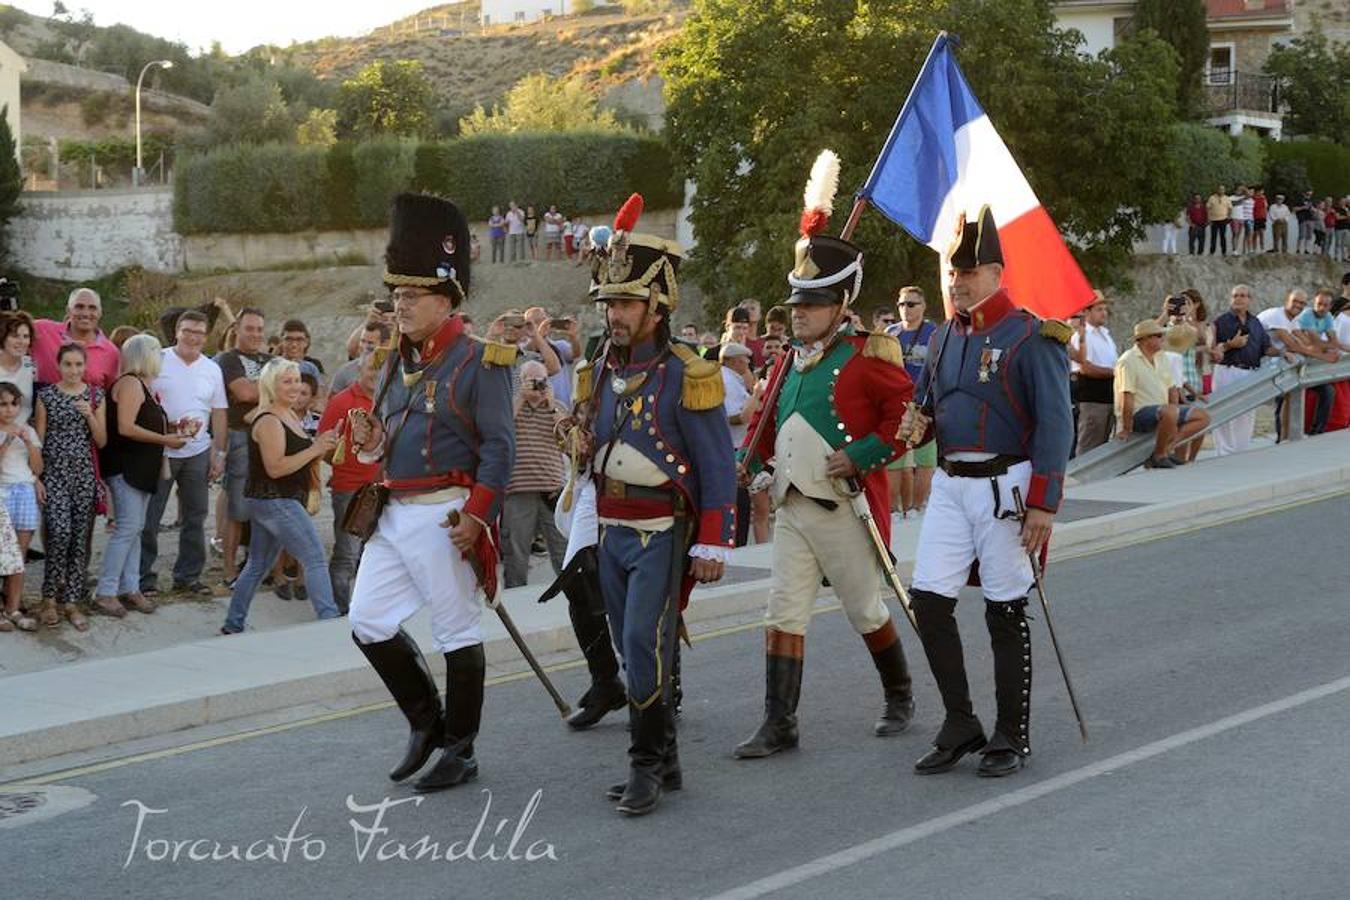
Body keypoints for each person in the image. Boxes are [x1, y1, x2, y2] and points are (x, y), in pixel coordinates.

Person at [735, 154, 915, 766]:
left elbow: (910, 420)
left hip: (842, 508)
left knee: (865, 609)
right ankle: (778, 722)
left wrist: (861, 453)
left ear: (842, 304)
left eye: (812, 303)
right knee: (781, 611)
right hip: (790, 509)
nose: (799, 312)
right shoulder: (789, 361)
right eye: (796, 304)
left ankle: (899, 693)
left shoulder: (870, 355)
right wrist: (756, 461)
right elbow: (771, 425)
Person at [345, 193, 515, 794]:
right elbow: (387, 438)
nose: (401, 307)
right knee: (366, 620)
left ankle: (460, 750)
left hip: (448, 512)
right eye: (397, 297)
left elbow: (500, 448)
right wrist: (369, 441)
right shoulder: (395, 359)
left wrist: (477, 516)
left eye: (412, 297)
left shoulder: (482, 362)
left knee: (456, 631)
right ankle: (427, 722)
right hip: (394, 509)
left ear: (447, 299)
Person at [899, 205, 1073, 778]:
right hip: (950, 483)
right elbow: (929, 399)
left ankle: (1010, 734)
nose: (958, 282)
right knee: (927, 600)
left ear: (997, 273)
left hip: (1010, 486)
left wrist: (1045, 502)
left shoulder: (1031, 334)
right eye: (953, 273)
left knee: (1004, 611)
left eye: (969, 273)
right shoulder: (947, 334)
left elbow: (1055, 423)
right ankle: (959, 721)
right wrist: (917, 422)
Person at [574, 191, 734, 816]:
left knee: (644, 642)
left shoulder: (688, 373)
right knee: (632, 645)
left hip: (663, 532)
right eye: (609, 301)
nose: (613, 313)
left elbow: (718, 465)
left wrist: (714, 539)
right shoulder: (599, 367)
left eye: (626, 302)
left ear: (656, 307)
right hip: (611, 528)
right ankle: (666, 761)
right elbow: (592, 444)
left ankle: (643, 765)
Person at [220, 359, 341, 635]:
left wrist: (323, 446)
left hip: (275, 500)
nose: (295, 386)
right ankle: (330, 621)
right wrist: (315, 449)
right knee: (315, 557)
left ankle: (233, 623)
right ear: (270, 385)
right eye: (287, 381)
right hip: (275, 499)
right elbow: (275, 468)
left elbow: (298, 458)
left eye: (297, 380)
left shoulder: (288, 414)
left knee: (257, 565)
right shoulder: (270, 419)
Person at [140, 310, 228, 597]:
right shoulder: (159, 359)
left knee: (196, 516)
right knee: (150, 516)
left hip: (198, 451)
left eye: (199, 333)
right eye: (187, 331)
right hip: (160, 451)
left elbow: (219, 413)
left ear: (206, 336)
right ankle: (144, 578)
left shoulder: (212, 368)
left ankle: (188, 576)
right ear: (177, 331)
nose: (193, 337)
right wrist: (166, 428)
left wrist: (219, 453)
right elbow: (140, 401)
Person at [97, 335, 185, 618]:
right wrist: (165, 438)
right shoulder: (131, 383)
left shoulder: (143, 386)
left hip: (140, 468)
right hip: (127, 467)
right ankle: (106, 591)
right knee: (127, 529)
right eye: (157, 352)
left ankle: (130, 587)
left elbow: (141, 422)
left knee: (134, 529)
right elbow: (125, 427)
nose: (161, 357)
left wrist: (173, 427)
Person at [35, 344, 108, 631]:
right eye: (68, 364)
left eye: (79, 365)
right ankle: (49, 598)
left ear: (85, 365)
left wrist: (89, 414)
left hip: (84, 476)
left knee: (80, 539)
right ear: (59, 365)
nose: (74, 370)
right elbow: (38, 440)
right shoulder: (47, 396)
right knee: (59, 534)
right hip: (55, 474)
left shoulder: (95, 395)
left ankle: (72, 602)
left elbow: (102, 441)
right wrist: (37, 478)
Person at [316, 349, 381, 613]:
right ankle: (338, 611)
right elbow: (324, 444)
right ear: (359, 371)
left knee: (376, 553)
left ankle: (369, 608)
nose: (375, 375)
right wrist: (346, 467)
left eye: (380, 369)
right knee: (347, 554)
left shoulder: (390, 399)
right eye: (371, 369)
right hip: (351, 490)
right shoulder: (342, 402)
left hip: (383, 489)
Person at [214, 308, 273, 586]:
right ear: (237, 328)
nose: (256, 334)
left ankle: (254, 564)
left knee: (263, 506)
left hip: (270, 437)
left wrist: (267, 387)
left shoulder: (271, 359)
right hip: (240, 438)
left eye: (260, 329)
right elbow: (244, 392)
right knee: (236, 508)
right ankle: (228, 569)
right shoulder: (227, 359)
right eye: (250, 328)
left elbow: (289, 389)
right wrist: (273, 386)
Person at [502, 360, 568, 588]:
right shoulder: (511, 407)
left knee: (562, 549)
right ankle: (516, 601)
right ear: (521, 382)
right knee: (516, 553)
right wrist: (521, 397)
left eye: (544, 381)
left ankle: (575, 600)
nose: (540, 386)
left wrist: (551, 407)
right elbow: (501, 432)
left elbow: (568, 442)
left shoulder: (557, 407)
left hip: (552, 489)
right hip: (519, 490)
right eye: (534, 381)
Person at [1114, 320, 1210, 468]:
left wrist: (1175, 416)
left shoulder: (1161, 357)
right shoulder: (1128, 360)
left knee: (1203, 416)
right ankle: (1158, 456)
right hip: (1138, 413)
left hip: (1162, 411)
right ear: (1145, 339)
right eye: (1158, 336)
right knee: (1170, 411)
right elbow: (1126, 396)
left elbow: (1171, 388)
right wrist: (1126, 428)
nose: (1163, 339)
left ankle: (1168, 447)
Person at [1210, 285, 1284, 455]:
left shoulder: (1255, 322)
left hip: (1250, 373)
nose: (1239, 299)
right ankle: (1224, 453)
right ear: (1230, 298)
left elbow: (1266, 348)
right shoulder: (1220, 322)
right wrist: (1230, 345)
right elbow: (1213, 352)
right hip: (1227, 371)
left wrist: (1283, 351)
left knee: (1246, 415)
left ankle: (1240, 452)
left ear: (1249, 300)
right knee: (1224, 414)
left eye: (1243, 295)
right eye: (1235, 295)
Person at [886, 285, 938, 516]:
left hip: (924, 404)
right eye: (901, 304)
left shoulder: (934, 333)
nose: (905, 309)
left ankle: (917, 508)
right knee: (894, 459)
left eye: (911, 304)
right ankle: (894, 510)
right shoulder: (890, 333)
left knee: (925, 459)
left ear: (923, 306)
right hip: (896, 405)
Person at [0, 382, 40, 632]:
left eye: (13, 404)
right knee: (2, 553)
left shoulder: (28, 431)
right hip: (2, 491)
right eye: (3, 404)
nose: (9, 410)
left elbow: (38, 468)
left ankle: (12, 607)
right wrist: (5, 443)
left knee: (19, 555)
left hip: (24, 490)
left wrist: (28, 443)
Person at [33, 288, 120, 391]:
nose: (86, 313)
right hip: (42, 405)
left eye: (92, 308)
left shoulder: (111, 353)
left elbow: (110, 395)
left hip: (89, 407)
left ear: (100, 313)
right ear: (68, 310)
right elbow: (12, 328)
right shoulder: (42, 330)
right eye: (79, 307)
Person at [1258, 289, 1311, 442]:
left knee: (1289, 396)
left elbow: (1304, 342)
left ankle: (1286, 437)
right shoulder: (1277, 315)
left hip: (1274, 363)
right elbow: (1292, 344)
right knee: (1283, 398)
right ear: (1286, 300)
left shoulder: (1292, 319)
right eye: (1295, 301)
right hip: (1256, 364)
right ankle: (1282, 438)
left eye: (1302, 303)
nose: (1298, 305)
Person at [1070, 293, 1118, 456]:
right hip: (1091, 396)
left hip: (1107, 394)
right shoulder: (1081, 337)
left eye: (1105, 309)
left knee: (1102, 443)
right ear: (1087, 312)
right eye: (1099, 309)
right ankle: (1082, 479)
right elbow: (1085, 368)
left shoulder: (1106, 335)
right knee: (1089, 443)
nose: (1104, 313)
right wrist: (1113, 373)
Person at [1294, 289, 1343, 436]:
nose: (1321, 308)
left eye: (1325, 305)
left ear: (1330, 306)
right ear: (1313, 303)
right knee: (1287, 399)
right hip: (1295, 362)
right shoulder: (1307, 315)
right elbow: (1314, 342)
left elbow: (1333, 342)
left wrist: (1322, 345)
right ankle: (1284, 436)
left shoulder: (1327, 316)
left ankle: (1316, 432)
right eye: (1319, 304)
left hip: (1310, 363)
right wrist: (1323, 346)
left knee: (1328, 392)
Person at [331, 321, 390, 395]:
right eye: (362, 341)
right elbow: (332, 401)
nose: (364, 347)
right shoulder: (345, 370)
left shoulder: (395, 370)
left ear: (385, 344)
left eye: (370, 343)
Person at [0, 311, 36, 424]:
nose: (21, 342)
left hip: (22, 434)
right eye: (15, 336)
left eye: (26, 336)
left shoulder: (32, 366)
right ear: (3, 337)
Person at [1206, 185, 1232, 256]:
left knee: (1223, 236)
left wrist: (1228, 217)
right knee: (1213, 236)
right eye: (1220, 189)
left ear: (1224, 190)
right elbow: (1207, 208)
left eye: (1223, 189)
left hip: (1223, 219)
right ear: (1217, 190)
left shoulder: (1227, 198)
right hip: (1213, 220)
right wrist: (1208, 218)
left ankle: (1224, 252)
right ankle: (1212, 252)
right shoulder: (1212, 197)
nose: (1221, 191)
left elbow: (1230, 208)